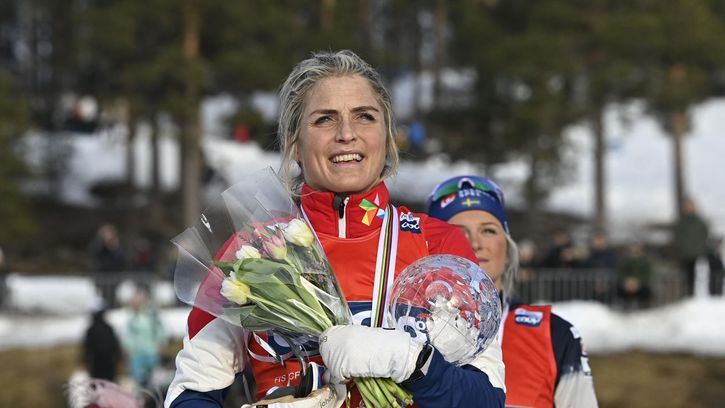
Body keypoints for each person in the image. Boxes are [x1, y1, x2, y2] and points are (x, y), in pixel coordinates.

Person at [165, 50, 506, 407]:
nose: (346, 134)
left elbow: (486, 399)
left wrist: (412, 363)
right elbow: (190, 394)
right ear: (295, 144)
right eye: (325, 119)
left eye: (364, 116)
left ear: (387, 137)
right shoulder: (253, 251)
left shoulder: (439, 244)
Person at [427, 175, 598, 408]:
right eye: (457, 232)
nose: (475, 243)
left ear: (508, 249)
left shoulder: (554, 335)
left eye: (488, 231)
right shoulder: (403, 330)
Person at [122, 287, 166, 389]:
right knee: (138, 382)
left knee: (153, 382)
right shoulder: (131, 317)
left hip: (151, 352)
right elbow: (127, 335)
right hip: (136, 354)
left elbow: (160, 330)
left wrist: (160, 344)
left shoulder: (151, 316)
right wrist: (127, 348)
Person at [673, 197, 709, 296]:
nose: (690, 208)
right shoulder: (681, 222)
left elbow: (705, 235)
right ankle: (684, 295)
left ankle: (693, 295)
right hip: (683, 254)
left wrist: (700, 247)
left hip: (697, 253)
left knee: (696, 276)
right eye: (688, 206)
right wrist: (681, 248)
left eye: (691, 206)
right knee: (683, 275)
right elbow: (677, 237)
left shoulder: (700, 222)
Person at [89, 224, 127, 308]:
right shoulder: (97, 245)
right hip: (102, 275)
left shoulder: (117, 245)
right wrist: (105, 245)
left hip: (114, 276)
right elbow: (97, 258)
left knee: (112, 296)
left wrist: (115, 248)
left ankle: (112, 308)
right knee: (102, 297)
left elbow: (121, 260)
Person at [82, 305, 123, 382]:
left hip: (96, 362)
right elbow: (115, 345)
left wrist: (85, 361)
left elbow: (87, 348)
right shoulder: (108, 328)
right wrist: (118, 358)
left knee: (97, 383)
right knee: (109, 383)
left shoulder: (91, 330)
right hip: (109, 361)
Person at [615, 242, 653, 310]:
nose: (635, 249)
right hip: (627, 284)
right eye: (633, 246)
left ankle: (644, 308)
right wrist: (627, 281)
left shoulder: (645, 260)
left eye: (637, 246)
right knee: (619, 290)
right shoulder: (624, 260)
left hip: (641, 284)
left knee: (646, 291)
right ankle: (624, 307)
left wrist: (638, 282)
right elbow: (620, 273)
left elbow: (648, 273)